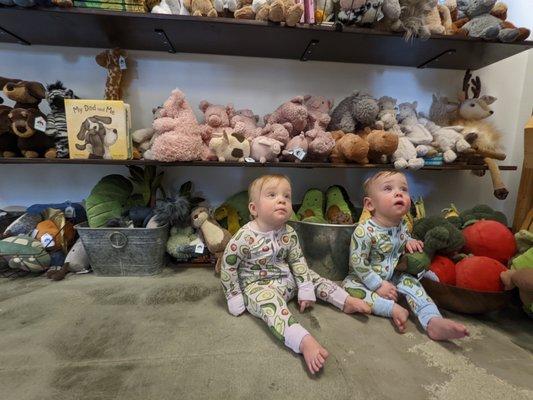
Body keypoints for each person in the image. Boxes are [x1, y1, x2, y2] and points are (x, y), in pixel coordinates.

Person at [220, 174, 371, 375]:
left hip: (286, 277)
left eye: (287, 196)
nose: (281, 200)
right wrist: (234, 296)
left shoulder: (289, 233)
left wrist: (306, 288)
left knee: (313, 276)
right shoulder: (243, 238)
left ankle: (344, 300)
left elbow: (298, 261)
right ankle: (302, 340)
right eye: (272, 195)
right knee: (271, 307)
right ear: (254, 209)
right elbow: (228, 267)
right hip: (257, 285)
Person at [342, 170, 469, 341]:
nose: (398, 192)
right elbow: (358, 263)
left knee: (415, 286)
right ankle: (391, 309)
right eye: (388, 188)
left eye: (403, 189)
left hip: (395, 274)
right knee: (350, 290)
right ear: (370, 204)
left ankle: (433, 320)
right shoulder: (364, 231)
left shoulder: (401, 224)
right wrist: (378, 285)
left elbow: (400, 240)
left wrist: (409, 240)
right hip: (363, 278)